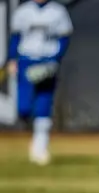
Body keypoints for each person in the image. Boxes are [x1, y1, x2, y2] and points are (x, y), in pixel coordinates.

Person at [6, 0, 73, 165]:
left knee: (44, 104)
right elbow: (16, 37)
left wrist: (55, 59)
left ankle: (40, 146)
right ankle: (33, 134)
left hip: (47, 60)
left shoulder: (57, 11)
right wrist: (12, 59)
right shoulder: (24, 11)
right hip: (27, 60)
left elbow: (64, 38)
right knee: (24, 108)